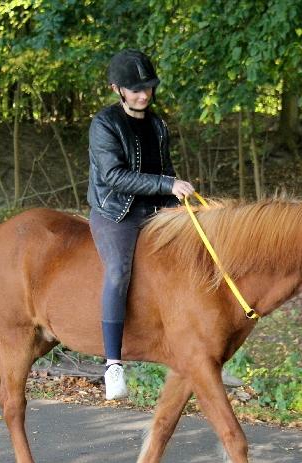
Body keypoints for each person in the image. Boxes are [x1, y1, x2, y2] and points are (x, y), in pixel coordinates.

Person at [87, 49, 194, 400]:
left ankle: (188, 348)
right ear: (117, 89)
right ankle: (113, 364)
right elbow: (114, 176)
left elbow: (165, 170)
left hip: (154, 212)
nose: (143, 94)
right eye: (135, 89)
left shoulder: (158, 124)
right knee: (119, 271)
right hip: (115, 211)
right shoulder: (104, 124)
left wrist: (178, 201)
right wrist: (167, 185)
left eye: (147, 87)